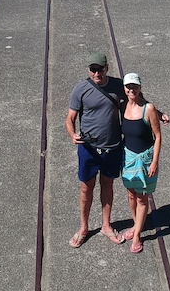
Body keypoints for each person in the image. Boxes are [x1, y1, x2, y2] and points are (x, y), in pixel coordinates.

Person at [66, 51, 126, 247]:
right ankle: (84, 227)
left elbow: (138, 101)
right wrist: (72, 134)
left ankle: (106, 225)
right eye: (92, 70)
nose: (96, 74)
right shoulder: (80, 89)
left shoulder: (118, 85)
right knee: (86, 187)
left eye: (99, 69)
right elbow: (70, 119)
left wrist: (158, 115)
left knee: (108, 185)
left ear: (106, 68)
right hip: (89, 148)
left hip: (112, 147)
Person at [119, 73, 162, 254]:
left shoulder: (149, 108)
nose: (131, 90)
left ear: (140, 87)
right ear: (124, 88)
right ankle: (137, 225)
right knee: (131, 194)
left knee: (142, 198)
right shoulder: (123, 106)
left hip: (144, 159)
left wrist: (154, 162)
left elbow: (158, 136)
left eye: (134, 86)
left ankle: (137, 235)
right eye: (128, 87)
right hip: (128, 158)